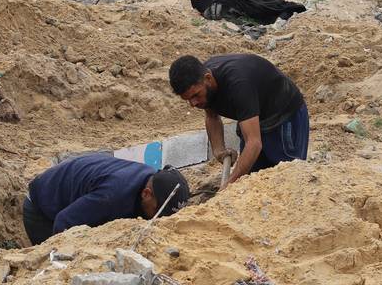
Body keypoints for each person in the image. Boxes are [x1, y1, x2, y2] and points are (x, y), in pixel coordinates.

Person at [168, 54, 308, 185]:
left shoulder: (238, 84)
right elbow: (212, 116)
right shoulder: (203, 84)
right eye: (188, 100)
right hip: (254, 118)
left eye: (196, 96)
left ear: (208, 78)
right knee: (251, 179)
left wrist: (228, 187)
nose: (193, 104)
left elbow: (253, 143)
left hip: (284, 116)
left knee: (286, 178)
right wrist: (219, 150)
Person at [22, 153, 191, 245]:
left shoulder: (151, 178)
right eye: (158, 212)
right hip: (42, 208)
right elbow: (63, 222)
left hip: (77, 188)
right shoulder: (112, 196)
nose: (158, 219)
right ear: (146, 194)